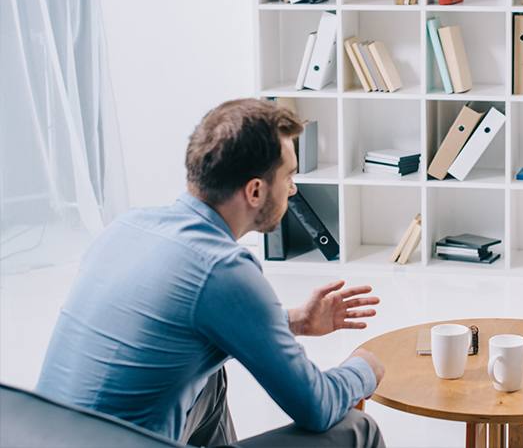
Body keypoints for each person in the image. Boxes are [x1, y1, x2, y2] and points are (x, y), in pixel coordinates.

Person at [37, 98, 386, 448]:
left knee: (209, 375)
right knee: (357, 428)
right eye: (289, 176)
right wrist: (364, 368)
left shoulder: (127, 227)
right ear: (255, 191)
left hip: (45, 435)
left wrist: (295, 321)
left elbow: (179, 316)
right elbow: (316, 406)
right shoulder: (222, 268)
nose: (293, 189)